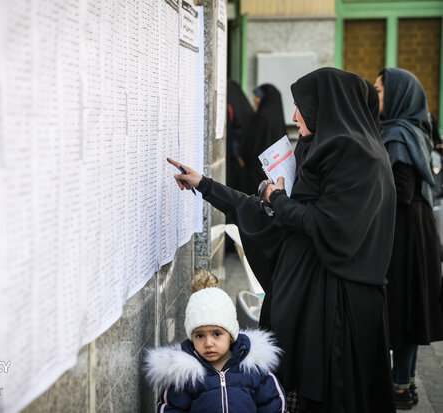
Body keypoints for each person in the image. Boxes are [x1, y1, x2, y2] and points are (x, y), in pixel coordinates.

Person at [167, 67, 397, 412]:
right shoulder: (323, 151)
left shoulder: (356, 157)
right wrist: (204, 185)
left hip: (337, 309)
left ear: (326, 106)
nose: (293, 116)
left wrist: (279, 200)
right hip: (313, 299)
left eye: (301, 106)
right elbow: (264, 210)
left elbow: (332, 229)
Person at [374, 68, 443, 410]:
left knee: (401, 306)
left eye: (381, 91)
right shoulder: (412, 129)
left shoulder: (399, 134)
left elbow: (401, 190)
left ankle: (400, 386)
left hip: (405, 234)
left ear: (399, 95)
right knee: (408, 306)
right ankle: (404, 382)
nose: (376, 97)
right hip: (414, 229)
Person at [144, 278, 286, 413]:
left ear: (231, 336)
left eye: (217, 334)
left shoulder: (255, 370)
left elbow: (273, 405)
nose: (208, 343)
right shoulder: (185, 375)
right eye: (199, 336)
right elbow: (171, 408)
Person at [239, 84, 286, 195]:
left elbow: (251, 145)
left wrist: (243, 156)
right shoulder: (278, 117)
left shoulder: (261, 117)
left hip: (256, 171)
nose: (254, 99)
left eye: (257, 96)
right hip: (274, 170)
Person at [226, 79, 255, 193]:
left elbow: (237, 131)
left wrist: (238, 155)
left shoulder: (231, 106)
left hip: (235, 158)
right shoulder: (244, 105)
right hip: (245, 157)